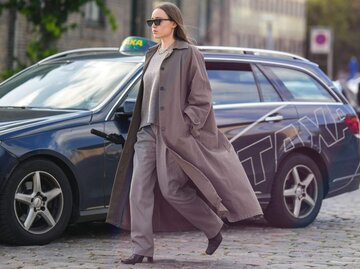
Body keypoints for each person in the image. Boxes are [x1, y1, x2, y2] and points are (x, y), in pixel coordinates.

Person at [106, 2, 263, 265]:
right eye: (151, 22)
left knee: (172, 190)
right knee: (138, 190)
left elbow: (202, 99)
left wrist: (186, 124)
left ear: (173, 23)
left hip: (173, 134)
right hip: (146, 131)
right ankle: (142, 248)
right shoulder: (151, 54)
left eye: (158, 21)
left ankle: (213, 227)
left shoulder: (189, 54)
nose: (153, 26)